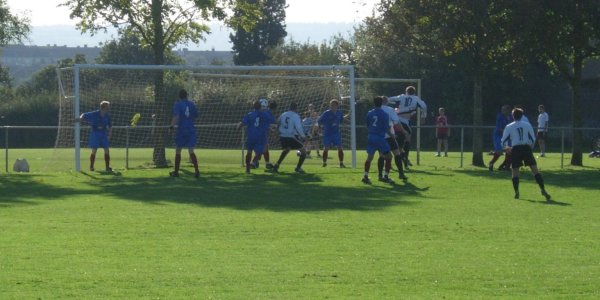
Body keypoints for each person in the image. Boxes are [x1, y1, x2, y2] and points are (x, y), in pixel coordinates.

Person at [501, 108, 551, 201]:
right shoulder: (527, 124)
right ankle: (543, 190)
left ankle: (517, 192)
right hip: (526, 148)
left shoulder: (509, 126)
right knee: (535, 170)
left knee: (515, 171)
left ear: (513, 116)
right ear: (521, 116)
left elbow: (503, 141)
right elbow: (532, 138)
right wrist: (530, 148)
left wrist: (506, 148)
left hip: (516, 149)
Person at [387, 85, 427, 170]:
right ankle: (405, 160)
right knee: (406, 140)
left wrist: (394, 105)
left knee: (393, 141)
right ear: (414, 92)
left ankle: (391, 162)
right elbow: (424, 106)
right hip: (404, 122)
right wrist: (423, 116)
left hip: (396, 121)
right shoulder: (416, 98)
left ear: (406, 91)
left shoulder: (401, 97)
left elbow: (390, 99)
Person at [362, 96, 393, 184]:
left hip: (371, 137)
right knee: (389, 157)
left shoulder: (369, 113)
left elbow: (367, 125)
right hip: (380, 138)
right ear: (382, 103)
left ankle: (365, 176)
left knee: (370, 157)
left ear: (374, 103)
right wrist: (392, 134)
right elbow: (386, 128)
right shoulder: (384, 114)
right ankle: (385, 176)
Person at [269, 102, 308, 174]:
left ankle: (276, 165)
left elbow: (278, 123)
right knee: (304, 152)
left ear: (289, 107)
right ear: (296, 108)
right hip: (290, 137)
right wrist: (303, 136)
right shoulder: (295, 116)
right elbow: (298, 127)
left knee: (287, 150)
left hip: (282, 137)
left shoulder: (283, 114)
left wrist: (274, 133)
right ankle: (298, 168)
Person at [238, 100, 276, 173]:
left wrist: (238, 127)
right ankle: (256, 162)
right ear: (261, 107)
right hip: (260, 136)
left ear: (253, 107)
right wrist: (273, 128)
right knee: (262, 150)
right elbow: (271, 122)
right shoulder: (265, 114)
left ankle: (248, 168)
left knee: (249, 152)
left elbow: (243, 123)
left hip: (251, 136)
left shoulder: (249, 114)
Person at [169, 89, 200, 178]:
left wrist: (171, 126)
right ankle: (197, 171)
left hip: (182, 130)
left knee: (178, 150)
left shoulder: (177, 104)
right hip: (191, 129)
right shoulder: (192, 104)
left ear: (179, 96)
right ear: (187, 95)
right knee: (191, 151)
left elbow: (176, 116)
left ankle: (176, 172)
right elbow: (196, 115)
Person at [377, 96, 407, 181]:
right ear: (387, 102)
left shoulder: (375, 110)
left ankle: (380, 175)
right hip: (389, 136)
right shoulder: (390, 110)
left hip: (379, 136)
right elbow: (397, 122)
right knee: (397, 154)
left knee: (382, 155)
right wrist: (403, 131)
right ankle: (401, 173)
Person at [79, 100, 112, 172]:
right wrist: (81, 118)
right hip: (95, 134)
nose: (109, 108)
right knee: (94, 150)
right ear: (103, 107)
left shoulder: (107, 116)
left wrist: (109, 134)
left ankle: (107, 167)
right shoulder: (94, 114)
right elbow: (83, 114)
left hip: (103, 134)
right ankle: (91, 167)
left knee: (107, 150)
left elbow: (110, 126)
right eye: (108, 107)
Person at [318, 99, 348, 168]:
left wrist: (348, 115)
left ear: (337, 106)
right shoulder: (326, 113)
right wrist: (321, 128)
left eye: (334, 105)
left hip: (336, 133)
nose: (332, 106)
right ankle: (324, 163)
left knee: (340, 148)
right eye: (331, 105)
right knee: (326, 148)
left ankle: (341, 163)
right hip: (327, 133)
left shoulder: (339, 113)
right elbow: (319, 121)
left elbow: (342, 119)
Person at [488, 105, 512, 171]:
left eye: (504, 109)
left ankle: (505, 166)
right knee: (499, 151)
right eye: (502, 109)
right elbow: (500, 128)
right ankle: (491, 163)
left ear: (508, 110)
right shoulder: (500, 116)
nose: (502, 111)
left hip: (507, 136)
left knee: (510, 151)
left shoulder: (511, 116)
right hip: (499, 136)